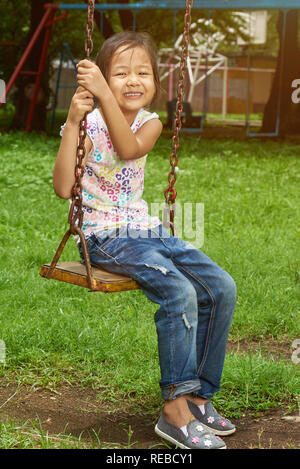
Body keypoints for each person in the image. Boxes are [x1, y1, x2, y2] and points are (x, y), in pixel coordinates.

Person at [53, 31, 236, 450]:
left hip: (145, 229)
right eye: (120, 73)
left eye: (143, 72)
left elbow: (129, 148)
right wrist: (72, 123)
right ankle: (174, 410)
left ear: (155, 81)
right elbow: (64, 188)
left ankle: (198, 396)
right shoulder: (88, 123)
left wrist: (102, 93)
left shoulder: (150, 122)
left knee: (221, 287)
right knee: (177, 291)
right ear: (99, 77)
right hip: (102, 236)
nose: (134, 80)